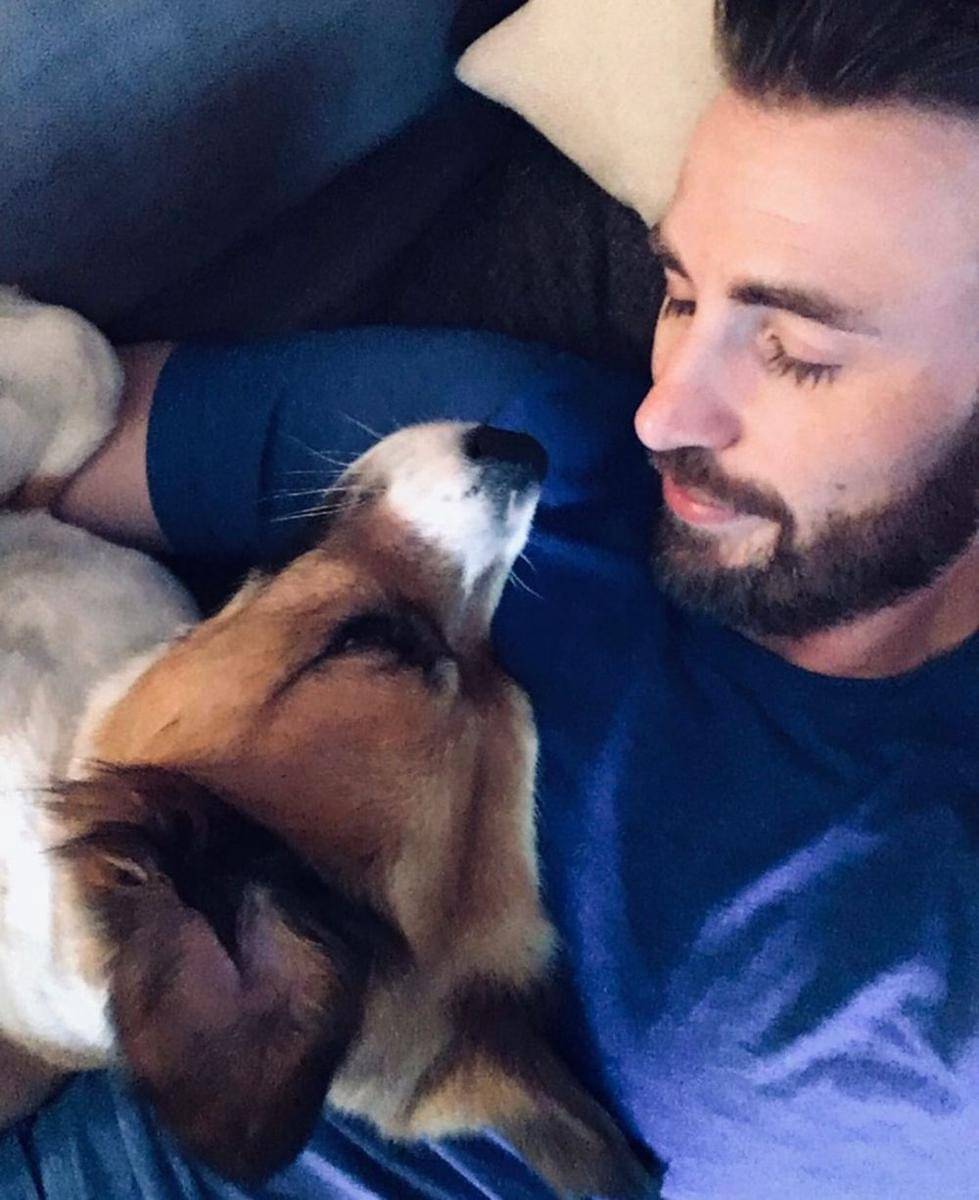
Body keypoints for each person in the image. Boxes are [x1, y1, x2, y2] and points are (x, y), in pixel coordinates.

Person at [6, 1, 979, 1197]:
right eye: (679, 294)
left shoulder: (924, 958)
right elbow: (53, 435)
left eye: (797, 353)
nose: (662, 413)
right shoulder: (516, 440)